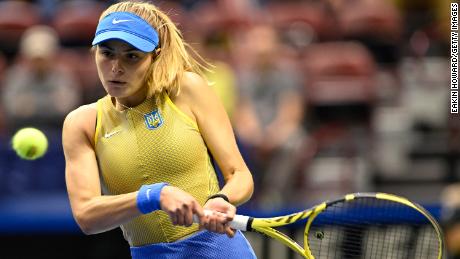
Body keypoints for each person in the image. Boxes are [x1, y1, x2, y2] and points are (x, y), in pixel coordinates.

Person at [62, 1, 255, 258]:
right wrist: (153, 196)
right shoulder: (82, 124)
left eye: (132, 56)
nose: (116, 68)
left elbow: (239, 174)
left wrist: (222, 199)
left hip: (219, 250)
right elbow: (86, 216)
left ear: (155, 55)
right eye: (107, 53)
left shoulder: (186, 89)